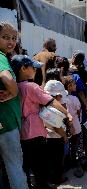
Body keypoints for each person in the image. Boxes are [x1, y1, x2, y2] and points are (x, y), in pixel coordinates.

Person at [11, 55, 72, 189]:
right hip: (35, 132)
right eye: (33, 67)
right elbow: (50, 100)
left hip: (20, 131)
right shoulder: (31, 86)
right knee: (40, 168)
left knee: (27, 167)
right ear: (23, 68)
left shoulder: (14, 86)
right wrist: (67, 113)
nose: (35, 70)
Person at [0, 21, 29, 189]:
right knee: (15, 168)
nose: (11, 42)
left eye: (13, 38)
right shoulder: (1, 57)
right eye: (5, 37)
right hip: (7, 122)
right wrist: (14, 92)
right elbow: (8, 79)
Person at [64, 76, 85, 178]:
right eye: (74, 84)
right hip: (76, 125)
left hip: (67, 126)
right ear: (69, 86)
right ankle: (78, 162)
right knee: (77, 144)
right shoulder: (74, 98)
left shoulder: (63, 99)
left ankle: (70, 162)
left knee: (70, 144)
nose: (76, 86)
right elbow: (78, 111)